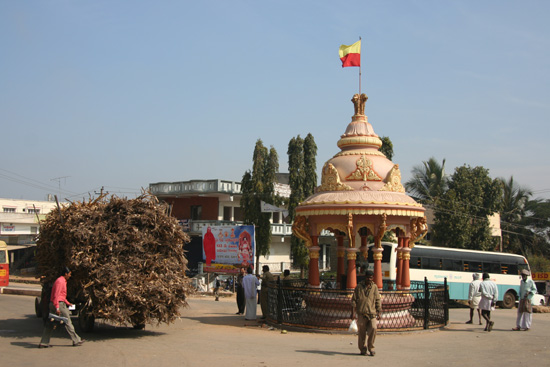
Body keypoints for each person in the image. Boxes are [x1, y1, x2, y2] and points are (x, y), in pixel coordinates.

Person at [39, 267, 84, 348]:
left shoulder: (61, 281)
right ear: (65, 274)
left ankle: (44, 342)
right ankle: (76, 340)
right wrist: (57, 308)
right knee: (67, 321)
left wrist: (68, 303)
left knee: (50, 324)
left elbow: (61, 296)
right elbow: (56, 295)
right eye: (69, 274)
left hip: (55, 303)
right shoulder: (60, 282)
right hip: (58, 304)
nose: (70, 275)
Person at [351, 269, 381, 356]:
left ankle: (371, 348)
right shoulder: (359, 287)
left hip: (372, 313)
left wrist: (379, 311)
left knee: (373, 328)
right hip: (361, 313)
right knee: (361, 333)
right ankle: (362, 349)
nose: (369, 279)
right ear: (365, 277)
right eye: (368, 277)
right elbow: (354, 300)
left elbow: (378, 300)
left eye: (371, 278)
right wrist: (353, 312)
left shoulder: (374, 287)